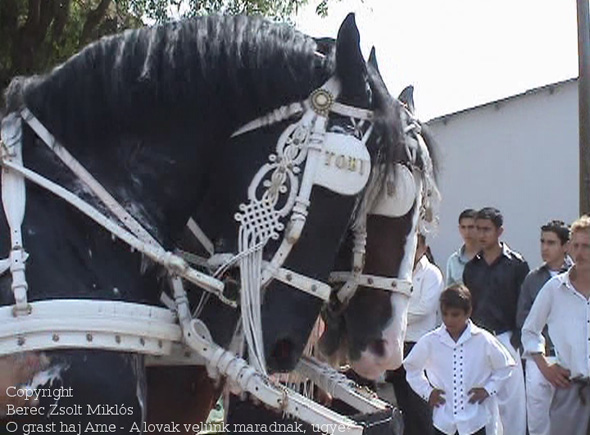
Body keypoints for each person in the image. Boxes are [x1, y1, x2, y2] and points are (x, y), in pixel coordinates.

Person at [404, 284, 515, 435]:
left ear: (468, 312)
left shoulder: (483, 339)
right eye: (445, 314)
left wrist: (488, 389)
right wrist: (427, 392)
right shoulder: (431, 340)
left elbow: (506, 366)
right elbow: (412, 368)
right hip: (443, 420)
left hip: (474, 420)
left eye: (455, 315)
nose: (449, 320)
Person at [522, 215, 590, 435]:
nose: (580, 253)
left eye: (587, 246)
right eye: (576, 246)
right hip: (571, 390)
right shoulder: (554, 289)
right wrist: (545, 366)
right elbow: (530, 331)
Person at [462, 207, 528, 435]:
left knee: (513, 402)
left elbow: (524, 303)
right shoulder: (471, 268)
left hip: (507, 336)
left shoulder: (517, 265)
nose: (481, 235)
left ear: (500, 231)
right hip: (480, 339)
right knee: (482, 400)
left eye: (486, 229)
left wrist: (519, 337)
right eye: (478, 229)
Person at [516, 220, 572, 435]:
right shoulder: (533, 279)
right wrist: (542, 362)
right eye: (542, 242)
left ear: (565, 246)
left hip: (571, 357)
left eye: (551, 243)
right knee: (538, 420)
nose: (544, 248)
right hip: (540, 357)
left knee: (570, 420)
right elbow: (523, 319)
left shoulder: (577, 277)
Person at [388, 234, 444, 435]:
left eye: (415, 245)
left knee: (420, 404)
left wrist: (394, 318)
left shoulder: (432, 274)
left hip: (419, 345)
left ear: (424, 247)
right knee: (403, 402)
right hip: (397, 343)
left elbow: (424, 308)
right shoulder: (397, 271)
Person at [446, 209, 479, 286]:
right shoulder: (453, 260)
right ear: (459, 229)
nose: (467, 232)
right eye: (463, 227)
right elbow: (450, 292)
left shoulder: (488, 257)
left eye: (471, 227)